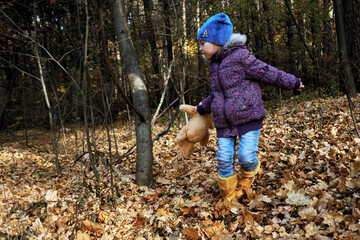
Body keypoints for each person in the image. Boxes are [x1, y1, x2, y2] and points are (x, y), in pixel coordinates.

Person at [195, 13, 304, 202]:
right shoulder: (214, 66)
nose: (200, 48)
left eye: (203, 43)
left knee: (246, 156)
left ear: (216, 40)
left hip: (248, 115)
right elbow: (217, 93)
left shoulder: (241, 57)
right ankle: (229, 195)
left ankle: (248, 176)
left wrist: (292, 82)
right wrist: (204, 106)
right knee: (223, 159)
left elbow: (267, 72)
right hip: (224, 122)